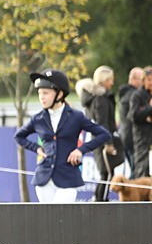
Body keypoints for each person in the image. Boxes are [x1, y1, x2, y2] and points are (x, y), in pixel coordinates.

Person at [15, 69, 110, 203]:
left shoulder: (76, 117)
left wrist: (81, 150)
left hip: (68, 178)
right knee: (48, 220)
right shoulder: (38, 118)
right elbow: (18, 136)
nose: (41, 97)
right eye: (40, 93)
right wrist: (37, 148)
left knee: (61, 218)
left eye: (46, 93)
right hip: (44, 179)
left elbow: (103, 134)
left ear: (59, 94)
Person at [76, 66, 121, 202]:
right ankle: (99, 201)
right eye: (110, 80)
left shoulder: (97, 98)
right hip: (102, 140)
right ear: (104, 80)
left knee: (107, 173)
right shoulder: (101, 99)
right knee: (106, 173)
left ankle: (100, 199)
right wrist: (108, 143)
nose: (112, 83)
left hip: (99, 138)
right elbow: (101, 123)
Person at [117, 67, 144, 172]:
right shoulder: (133, 95)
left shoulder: (126, 94)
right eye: (142, 80)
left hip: (126, 136)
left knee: (135, 170)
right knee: (137, 171)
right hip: (133, 137)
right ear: (133, 79)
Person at [127, 67, 152, 179]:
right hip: (142, 138)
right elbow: (133, 115)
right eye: (149, 79)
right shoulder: (137, 95)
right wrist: (149, 107)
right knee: (142, 169)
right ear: (143, 81)